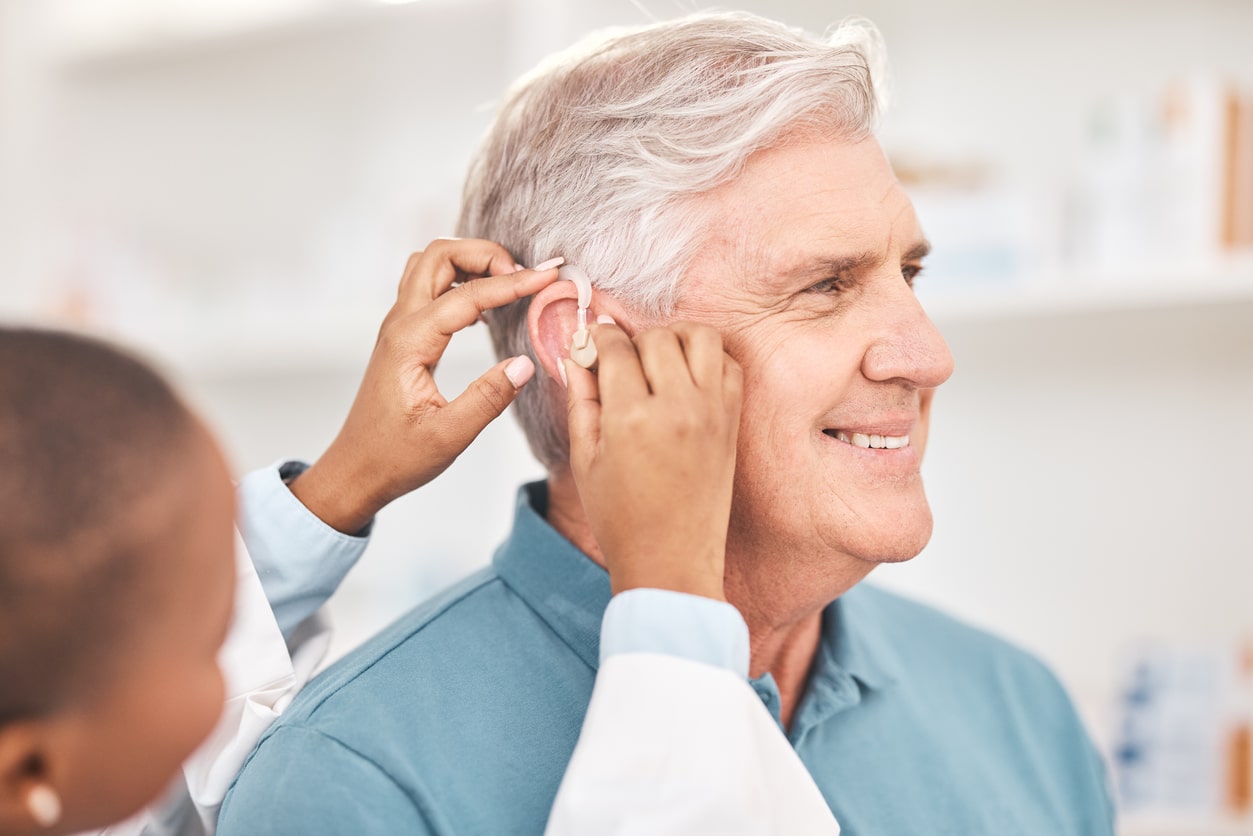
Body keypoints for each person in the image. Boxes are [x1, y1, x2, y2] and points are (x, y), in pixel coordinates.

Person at [220, 11, 1116, 835]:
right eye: (824, 285)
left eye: (908, 275)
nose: (927, 356)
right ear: (592, 349)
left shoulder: (1019, 712)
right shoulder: (354, 781)